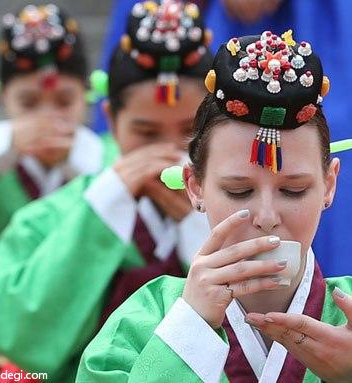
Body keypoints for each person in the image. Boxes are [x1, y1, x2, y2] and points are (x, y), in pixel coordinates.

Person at [76, 30, 352, 382]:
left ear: (329, 184)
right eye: (238, 191)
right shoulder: (140, 323)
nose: (266, 218)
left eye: (294, 190)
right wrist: (189, 329)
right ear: (195, 187)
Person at [0, 1, 214, 381]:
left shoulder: (248, 209)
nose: (170, 153)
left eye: (190, 132)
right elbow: (22, 341)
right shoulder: (43, 220)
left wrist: (202, 224)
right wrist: (104, 208)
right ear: (110, 119)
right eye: (146, 133)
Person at [0, 4, 106, 360]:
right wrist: (2, 143)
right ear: (2, 98)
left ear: (89, 95)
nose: (47, 117)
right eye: (28, 103)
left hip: (89, 354)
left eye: (64, 101)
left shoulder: (109, 160)